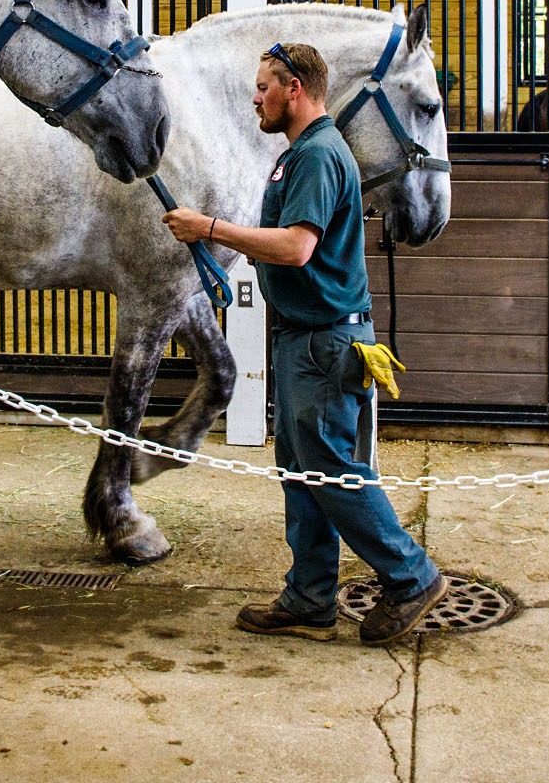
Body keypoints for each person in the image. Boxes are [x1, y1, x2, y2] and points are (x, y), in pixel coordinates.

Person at [162, 40, 446, 645]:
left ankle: (412, 576)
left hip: (323, 346)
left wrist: (208, 228)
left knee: (331, 471)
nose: (255, 97)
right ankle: (310, 596)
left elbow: (295, 247)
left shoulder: (317, 155)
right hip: (305, 342)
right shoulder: (298, 156)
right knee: (302, 471)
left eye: (264, 86)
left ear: (295, 89)